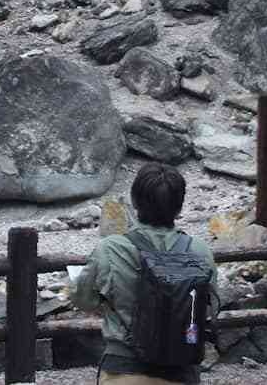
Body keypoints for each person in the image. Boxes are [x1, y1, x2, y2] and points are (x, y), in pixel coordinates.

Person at [71, 164, 218, 385]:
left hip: (124, 371)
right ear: (179, 206)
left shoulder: (111, 249)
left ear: (135, 201)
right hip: (182, 373)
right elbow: (210, 307)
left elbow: (83, 300)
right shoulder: (200, 251)